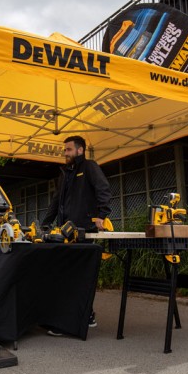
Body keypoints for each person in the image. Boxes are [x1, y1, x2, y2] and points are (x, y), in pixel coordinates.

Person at [42, 135, 111, 336]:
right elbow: (56, 201)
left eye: (68, 150)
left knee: (78, 277)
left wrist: (101, 215)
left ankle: (75, 320)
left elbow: (103, 189)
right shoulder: (65, 173)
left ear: (80, 150)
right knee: (70, 276)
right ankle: (85, 316)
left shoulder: (89, 167)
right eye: (65, 150)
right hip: (65, 232)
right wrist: (46, 223)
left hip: (84, 232)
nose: (65, 153)